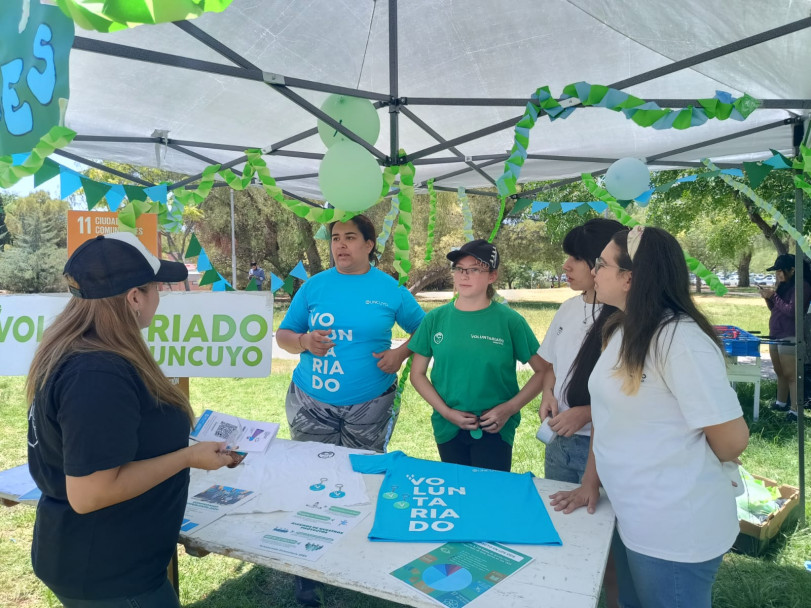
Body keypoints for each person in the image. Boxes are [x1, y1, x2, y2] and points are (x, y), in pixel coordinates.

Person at [26, 232, 235, 608]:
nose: (160, 297)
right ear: (134, 297)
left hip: (101, 559)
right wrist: (187, 458)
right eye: (157, 287)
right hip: (112, 574)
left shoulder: (85, 353)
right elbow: (91, 493)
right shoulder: (96, 373)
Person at [549, 226, 749, 608]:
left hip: (674, 527)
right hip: (629, 512)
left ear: (630, 278)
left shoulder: (679, 340)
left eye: (602, 264)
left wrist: (670, 458)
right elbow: (608, 419)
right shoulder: (621, 329)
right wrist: (591, 480)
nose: (594, 272)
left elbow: (731, 440)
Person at [276, 215, 424, 606]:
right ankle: (305, 569)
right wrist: (305, 340)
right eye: (335, 239)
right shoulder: (314, 286)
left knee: (362, 480)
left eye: (350, 238)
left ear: (370, 244)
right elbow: (284, 336)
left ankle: (352, 555)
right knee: (312, 479)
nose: (341, 245)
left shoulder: (389, 290)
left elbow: (426, 329)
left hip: (369, 406)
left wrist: (400, 352)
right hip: (313, 404)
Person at [409, 239, 547, 472]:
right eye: (459, 269)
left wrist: (510, 408)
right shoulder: (435, 319)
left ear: (491, 276)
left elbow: (543, 371)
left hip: (495, 427)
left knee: (489, 497)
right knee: (456, 492)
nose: (464, 275)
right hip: (448, 426)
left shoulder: (510, 321)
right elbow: (417, 374)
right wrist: (447, 412)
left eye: (474, 269)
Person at [537, 218, 623, 483]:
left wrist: (587, 413)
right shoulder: (568, 309)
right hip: (558, 439)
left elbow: (636, 393)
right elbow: (552, 366)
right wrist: (547, 394)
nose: (566, 266)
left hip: (606, 445)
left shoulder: (624, 318)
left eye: (576, 257)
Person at [759, 253, 811, 421]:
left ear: (793, 270)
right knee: (779, 372)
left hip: (790, 335)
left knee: (791, 375)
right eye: (776, 271)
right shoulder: (784, 285)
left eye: (780, 271)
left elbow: (792, 312)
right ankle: (781, 403)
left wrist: (773, 296)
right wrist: (768, 298)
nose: (778, 274)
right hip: (776, 333)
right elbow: (777, 309)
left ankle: (796, 411)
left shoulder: (802, 286)